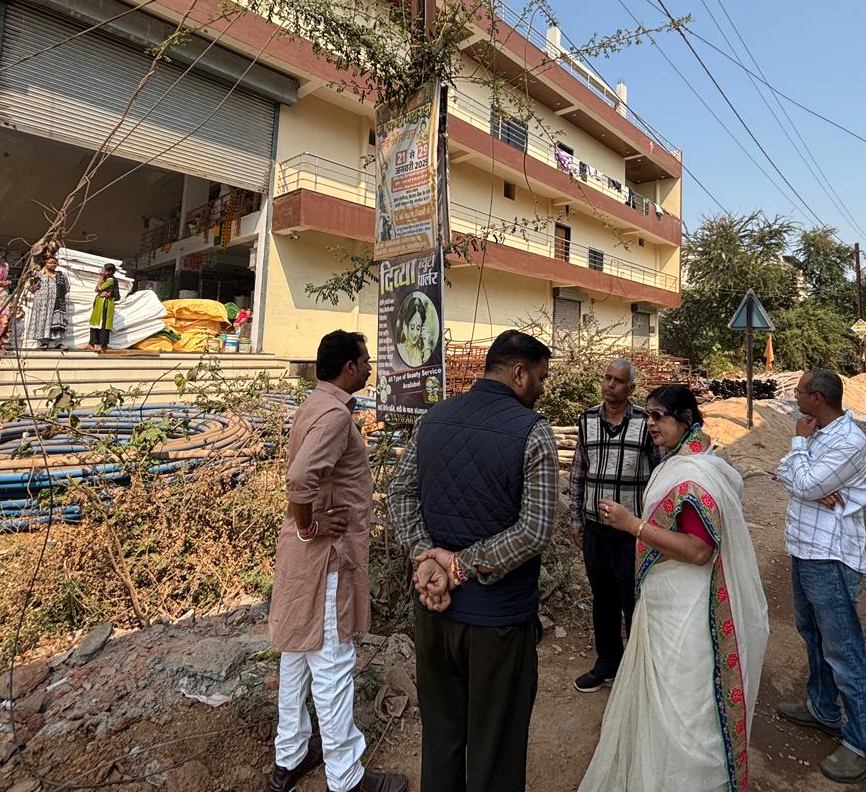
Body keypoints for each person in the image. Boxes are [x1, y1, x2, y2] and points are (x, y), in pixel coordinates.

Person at [387, 329, 557, 792]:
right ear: (519, 373)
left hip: (433, 616)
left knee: (441, 737)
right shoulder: (534, 431)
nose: (541, 389)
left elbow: (399, 493)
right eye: (540, 378)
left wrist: (425, 558)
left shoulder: (433, 418)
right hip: (497, 625)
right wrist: (458, 566)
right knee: (495, 747)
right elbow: (534, 530)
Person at [578, 384, 768, 792]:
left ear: (685, 420)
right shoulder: (680, 462)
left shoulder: (695, 474)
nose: (650, 424)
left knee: (683, 700)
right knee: (663, 698)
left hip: (689, 609)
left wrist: (633, 526)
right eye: (647, 415)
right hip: (667, 599)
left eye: (658, 416)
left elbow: (700, 550)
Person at [266, 331, 407, 792]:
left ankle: (290, 757)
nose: (369, 368)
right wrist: (310, 525)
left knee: (297, 655)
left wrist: (305, 526)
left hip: (303, 558)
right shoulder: (332, 416)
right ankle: (346, 778)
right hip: (325, 559)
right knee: (332, 662)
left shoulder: (315, 405)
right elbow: (300, 479)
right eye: (365, 361)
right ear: (349, 367)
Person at [772, 369, 866, 784]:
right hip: (805, 548)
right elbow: (785, 474)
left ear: (817, 398)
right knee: (812, 635)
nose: (796, 397)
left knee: (843, 651)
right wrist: (807, 480)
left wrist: (801, 454)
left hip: (831, 556)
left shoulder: (848, 441)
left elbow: (804, 482)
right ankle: (823, 708)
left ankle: (863, 747)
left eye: (800, 392)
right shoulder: (819, 432)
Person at [569, 358, 660, 692]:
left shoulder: (646, 423)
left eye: (618, 381)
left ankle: (638, 673)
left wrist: (656, 529)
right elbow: (579, 470)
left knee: (633, 602)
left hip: (632, 534)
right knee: (603, 599)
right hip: (595, 531)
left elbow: (660, 473)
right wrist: (576, 517)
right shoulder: (588, 419)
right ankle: (607, 663)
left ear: (631, 388)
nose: (609, 385)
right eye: (606, 378)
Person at [24, 255, 70, 350]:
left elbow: (67, 288)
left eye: (54, 263)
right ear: (45, 263)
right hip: (42, 303)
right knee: (43, 321)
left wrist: (56, 295)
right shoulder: (38, 274)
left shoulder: (61, 275)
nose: (52, 264)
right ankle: (44, 342)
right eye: (50, 263)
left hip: (57, 302)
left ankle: (58, 342)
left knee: (57, 321)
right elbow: (30, 286)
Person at [87, 263, 120, 352]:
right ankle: (91, 343)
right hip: (99, 303)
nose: (101, 271)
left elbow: (98, 288)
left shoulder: (110, 280)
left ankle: (102, 345)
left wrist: (101, 278)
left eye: (103, 270)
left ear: (109, 272)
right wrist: (100, 292)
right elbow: (97, 290)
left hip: (105, 304)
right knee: (95, 323)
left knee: (103, 324)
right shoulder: (106, 279)